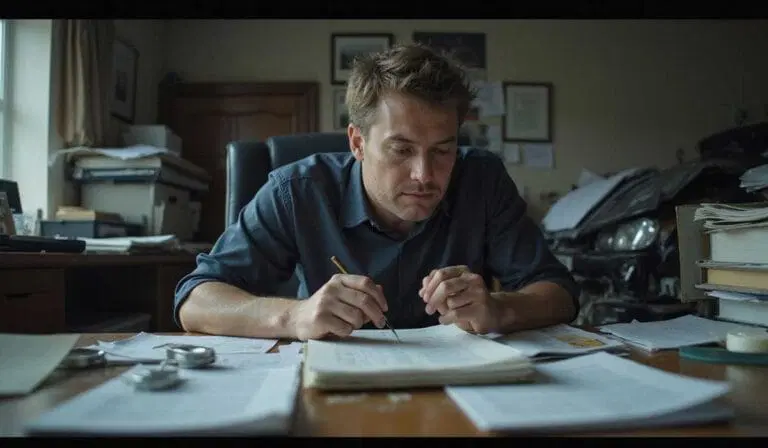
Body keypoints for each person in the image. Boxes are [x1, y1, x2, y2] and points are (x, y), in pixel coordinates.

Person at [174, 43, 580, 341]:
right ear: (357, 142)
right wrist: (295, 317)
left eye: (442, 150)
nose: (424, 175)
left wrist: (500, 309)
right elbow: (196, 299)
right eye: (401, 149)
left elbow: (559, 293)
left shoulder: (483, 180)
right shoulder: (297, 190)